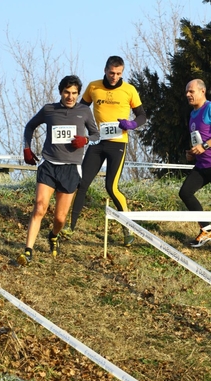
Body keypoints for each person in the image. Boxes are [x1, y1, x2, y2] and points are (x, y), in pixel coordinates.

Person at [62, 56, 146, 246]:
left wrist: (132, 124)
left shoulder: (129, 90)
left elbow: (142, 116)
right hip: (98, 142)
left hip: (118, 144)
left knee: (111, 187)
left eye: (118, 73)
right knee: (81, 184)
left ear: (122, 72)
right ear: (105, 70)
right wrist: (78, 131)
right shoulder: (94, 87)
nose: (114, 76)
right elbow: (80, 110)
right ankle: (70, 226)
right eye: (111, 73)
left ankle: (128, 228)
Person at [17, 75, 100, 265]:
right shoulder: (49, 109)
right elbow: (29, 126)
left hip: (71, 168)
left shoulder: (84, 111)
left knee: (60, 218)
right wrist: (26, 148)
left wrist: (85, 140)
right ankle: (28, 251)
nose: (70, 97)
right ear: (60, 92)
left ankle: (53, 235)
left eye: (74, 94)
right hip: (49, 164)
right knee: (39, 207)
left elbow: (96, 135)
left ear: (78, 94)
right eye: (66, 93)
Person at [179, 78, 211, 247]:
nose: (188, 94)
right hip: (202, 165)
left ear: (202, 91)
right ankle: (206, 229)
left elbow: (205, 142)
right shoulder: (192, 114)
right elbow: (196, 140)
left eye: (191, 91)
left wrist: (205, 146)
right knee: (185, 192)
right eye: (186, 92)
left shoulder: (210, 108)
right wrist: (191, 153)